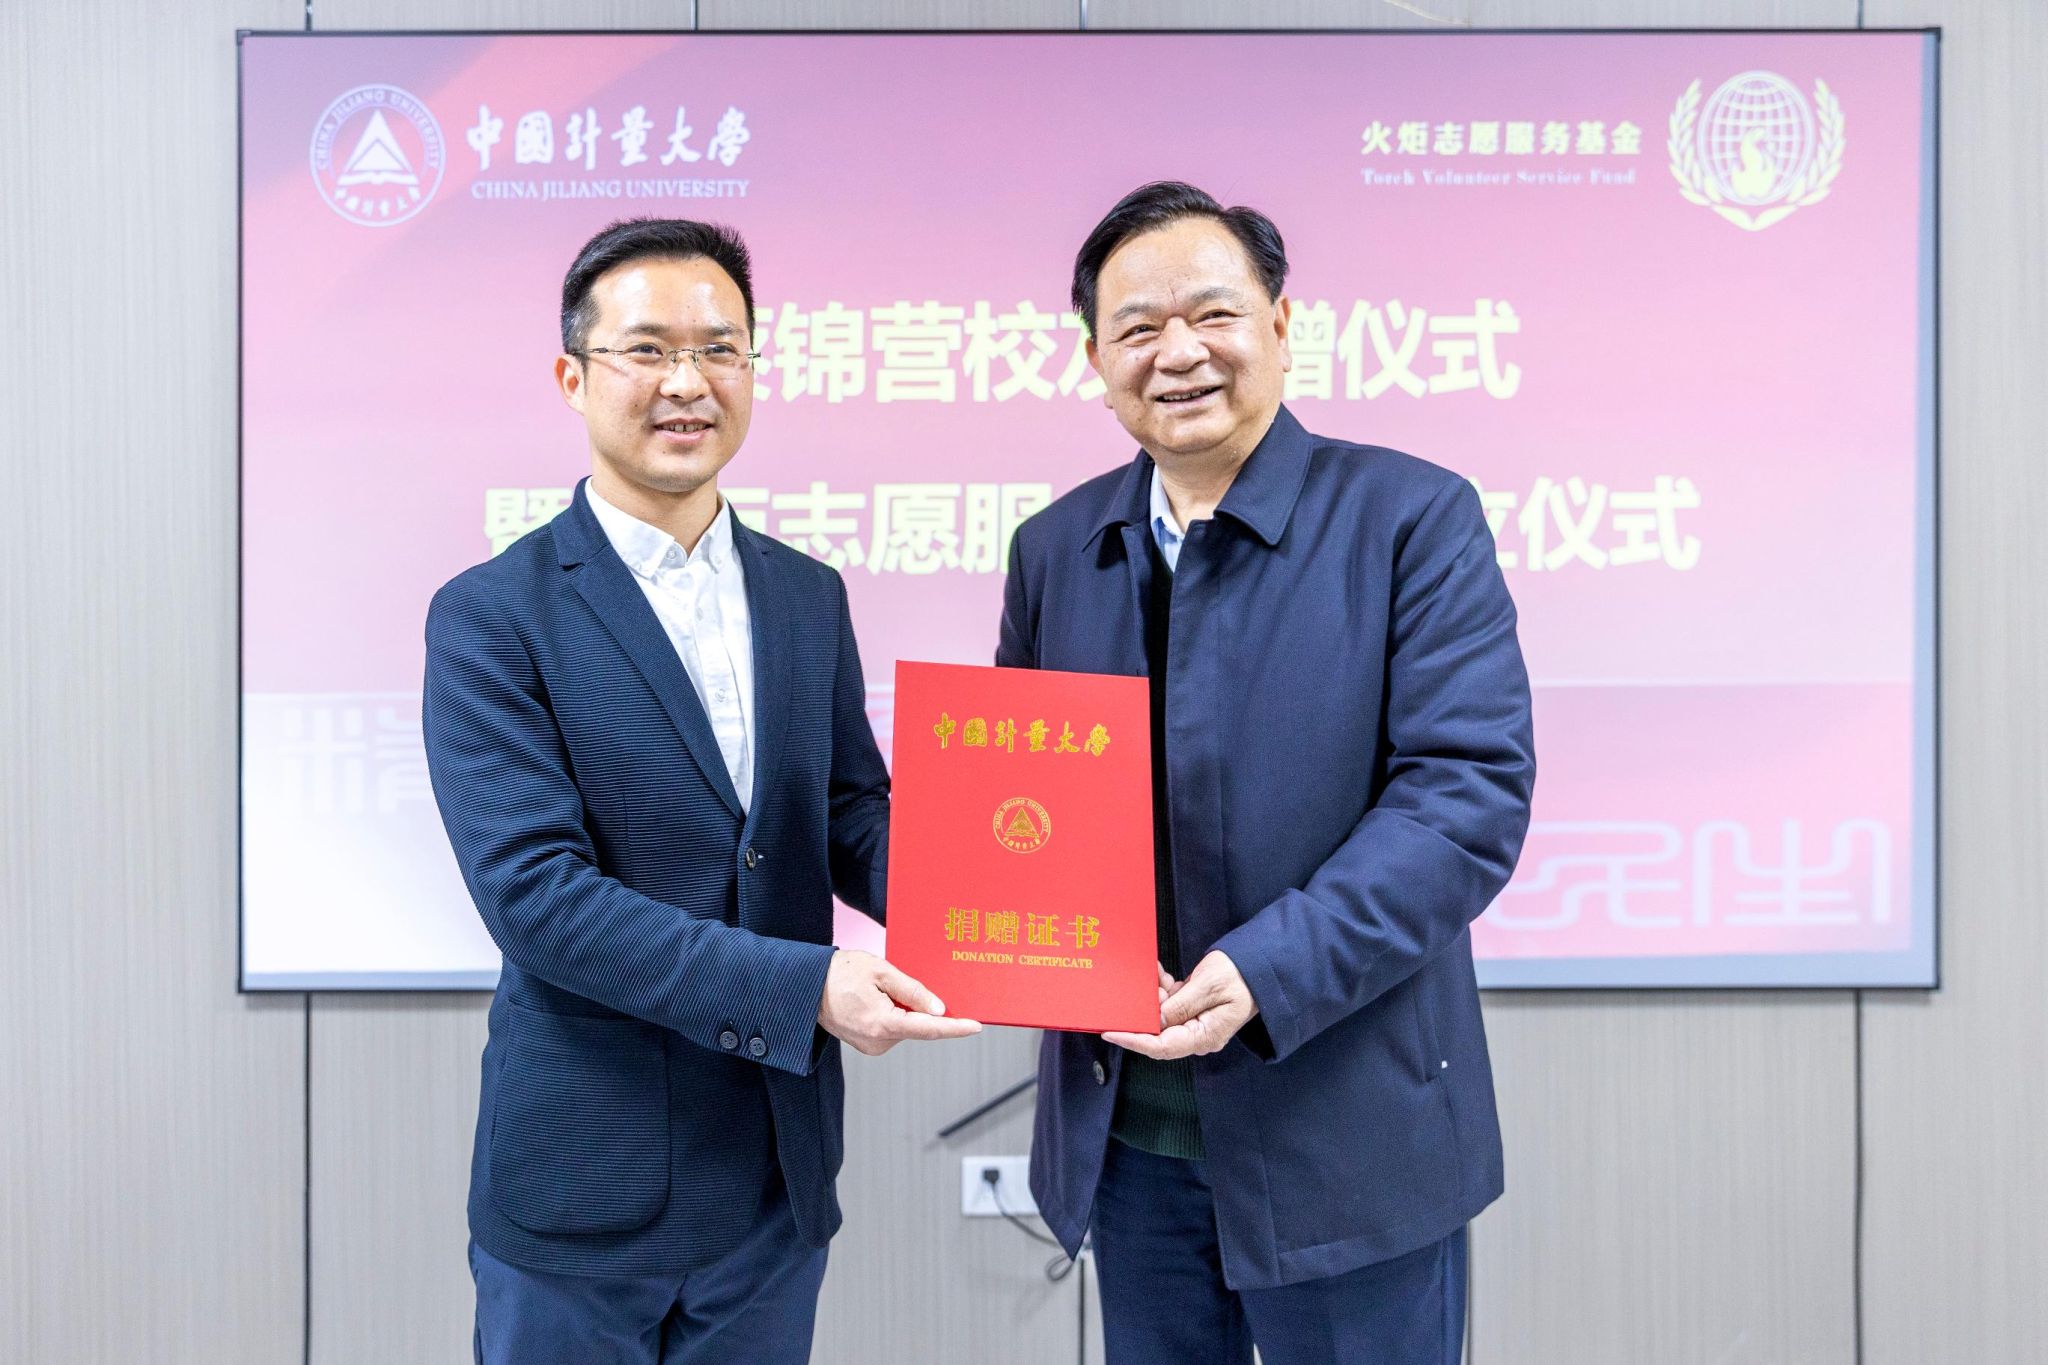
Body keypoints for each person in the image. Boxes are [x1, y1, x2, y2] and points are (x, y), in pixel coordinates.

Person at [423, 217, 978, 1365]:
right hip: (586, 1173)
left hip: (774, 1169)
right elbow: (535, 898)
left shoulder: (805, 593)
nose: (687, 382)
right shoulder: (491, 613)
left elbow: (846, 815)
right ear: (573, 377)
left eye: (720, 349)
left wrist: (1024, 909)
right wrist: (807, 985)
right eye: (647, 350)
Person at [1000, 182, 1535, 1365]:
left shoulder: (1409, 519)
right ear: (1093, 360)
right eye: (1137, 327)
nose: (1178, 352)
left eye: (1213, 314)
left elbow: (1462, 799)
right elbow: (1017, 805)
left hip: (1348, 1139)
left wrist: (1266, 966)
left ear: (1280, 326)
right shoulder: (1056, 550)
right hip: (1128, 1142)